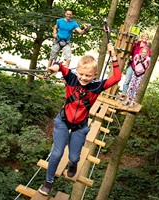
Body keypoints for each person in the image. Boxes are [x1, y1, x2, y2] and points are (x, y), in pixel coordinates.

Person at [38, 43, 121, 196]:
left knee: (74, 156)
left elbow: (117, 77)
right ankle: (48, 181)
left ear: (95, 75)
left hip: (80, 126)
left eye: (88, 75)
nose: (83, 78)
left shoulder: (97, 86)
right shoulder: (71, 78)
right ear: (77, 71)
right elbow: (60, 66)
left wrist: (113, 56)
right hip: (63, 121)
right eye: (81, 74)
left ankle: (73, 164)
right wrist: (55, 67)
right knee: (57, 153)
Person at [120, 32, 151, 100]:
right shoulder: (136, 44)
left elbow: (147, 59)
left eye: (146, 37)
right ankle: (123, 94)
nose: (145, 38)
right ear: (141, 37)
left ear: (147, 39)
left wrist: (144, 69)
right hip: (132, 64)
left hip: (139, 68)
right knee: (127, 80)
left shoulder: (147, 48)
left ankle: (130, 97)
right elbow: (131, 52)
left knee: (135, 83)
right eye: (144, 37)